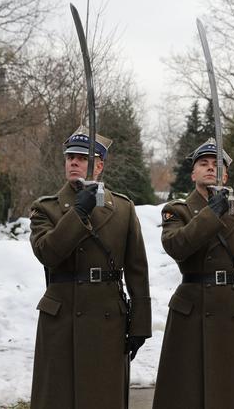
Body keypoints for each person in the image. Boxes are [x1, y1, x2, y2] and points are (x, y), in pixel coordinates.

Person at [29, 127, 152, 408]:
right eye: (70, 157)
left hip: (107, 316)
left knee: (103, 396)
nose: (73, 162)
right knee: (57, 395)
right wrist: (78, 212)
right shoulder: (45, 208)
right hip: (62, 316)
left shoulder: (122, 208)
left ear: (99, 166)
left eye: (82, 158)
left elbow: (137, 270)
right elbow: (48, 253)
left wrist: (140, 324)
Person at [152, 138, 234, 409]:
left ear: (225, 175)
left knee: (226, 390)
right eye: (203, 164)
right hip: (191, 310)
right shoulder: (177, 210)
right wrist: (212, 214)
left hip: (230, 311)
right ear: (193, 173)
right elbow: (177, 246)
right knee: (185, 388)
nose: (210, 169)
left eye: (217, 166)